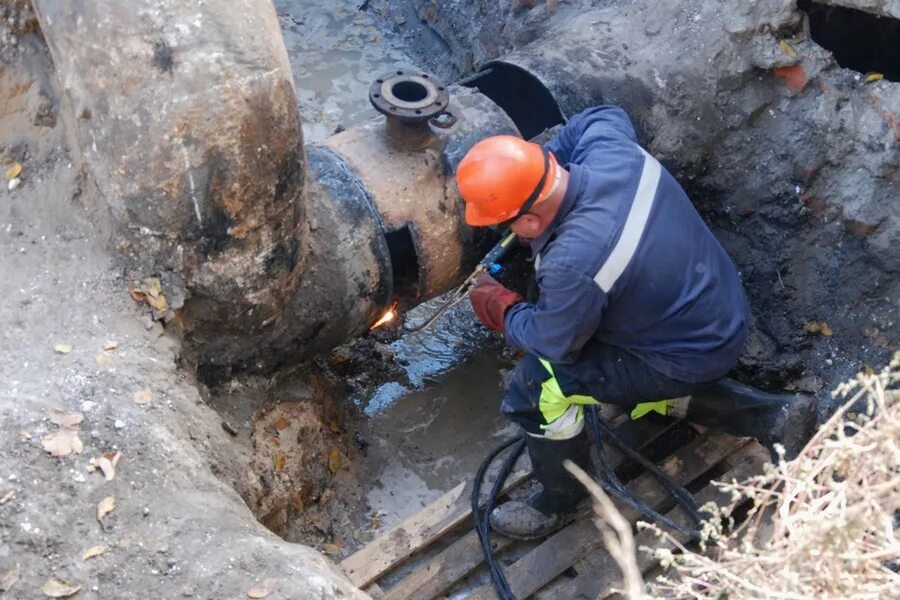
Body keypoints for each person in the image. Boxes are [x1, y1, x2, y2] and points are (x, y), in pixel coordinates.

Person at [455, 105, 813, 541]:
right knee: (619, 367)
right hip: (718, 308)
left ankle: (560, 499)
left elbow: (554, 344)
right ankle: (773, 418)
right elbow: (604, 113)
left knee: (536, 389)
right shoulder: (609, 150)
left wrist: (503, 309)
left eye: (511, 226)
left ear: (529, 218)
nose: (512, 234)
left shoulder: (572, 263)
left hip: (684, 353)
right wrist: (534, 165)